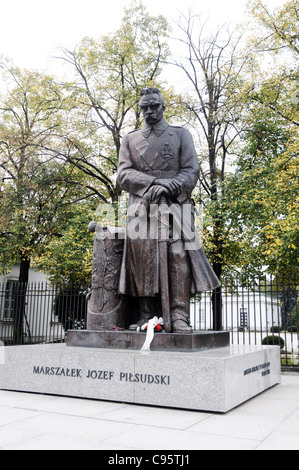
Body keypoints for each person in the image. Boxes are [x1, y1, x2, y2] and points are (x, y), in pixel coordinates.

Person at [117, 87, 220, 332]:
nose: (149, 111)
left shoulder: (180, 135)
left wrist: (171, 185)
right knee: (142, 260)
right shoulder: (130, 139)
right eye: (145, 107)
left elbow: (191, 169)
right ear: (140, 109)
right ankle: (146, 314)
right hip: (142, 207)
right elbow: (123, 173)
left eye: (154, 106)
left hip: (176, 205)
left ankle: (179, 314)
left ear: (163, 107)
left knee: (178, 257)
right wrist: (153, 183)